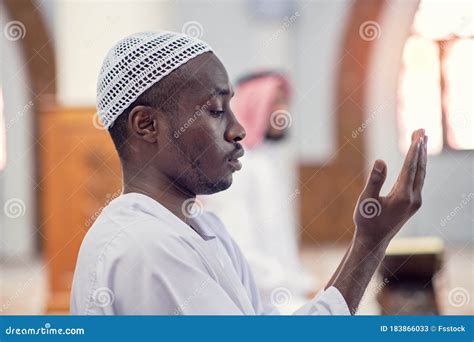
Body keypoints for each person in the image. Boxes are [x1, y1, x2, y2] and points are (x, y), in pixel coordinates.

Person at [70, 31, 428, 315]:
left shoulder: (204, 230)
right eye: (214, 110)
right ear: (147, 124)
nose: (238, 129)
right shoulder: (147, 246)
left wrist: (369, 242)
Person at [201, 71, 317, 313]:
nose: (283, 110)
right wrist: (292, 286)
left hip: (284, 295)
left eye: (285, 102)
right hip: (257, 301)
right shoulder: (236, 165)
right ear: (254, 104)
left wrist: (303, 283)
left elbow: (277, 243)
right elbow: (238, 247)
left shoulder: (266, 161)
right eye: (275, 101)